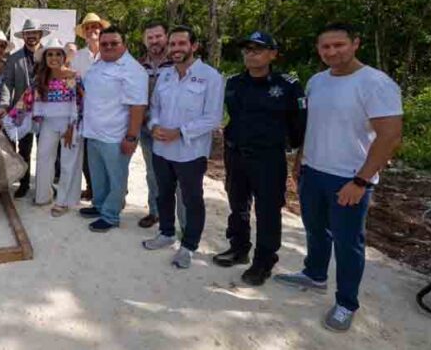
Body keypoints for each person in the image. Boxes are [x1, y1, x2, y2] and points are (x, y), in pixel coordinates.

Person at [274, 23, 403, 333]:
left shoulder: (376, 83)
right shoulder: (317, 81)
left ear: (355, 43)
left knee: (348, 243)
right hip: (313, 171)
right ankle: (314, 274)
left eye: (339, 45)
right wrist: (300, 161)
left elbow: (389, 136)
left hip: (349, 178)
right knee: (315, 230)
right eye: (325, 47)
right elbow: (311, 125)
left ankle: (346, 303)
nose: (331, 52)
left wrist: (361, 181)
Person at [214, 31, 306, 286]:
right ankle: (238, 247)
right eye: (247, 49)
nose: (251, 54)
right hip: (236, 153)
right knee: (238, 204)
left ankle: (264, 261)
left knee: (268, 210)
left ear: (273, 54)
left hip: (267, 158)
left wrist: (290, 146)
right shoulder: (234, 83)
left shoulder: (287, 85)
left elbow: (299, 123)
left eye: (258, 49)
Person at [142, 26, 224, 268]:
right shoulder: (166, 75)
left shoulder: (210, 77)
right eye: (173, 44)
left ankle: (188, 246)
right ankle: (166, 233)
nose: (176, 49)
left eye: (181, 44)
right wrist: (154, 125)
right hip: (161, 149)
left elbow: (213, 117)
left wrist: (180, 132)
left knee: (191, 199)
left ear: (194, 46)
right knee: (163, 194)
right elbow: (155, 107)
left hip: (190, 152)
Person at [78, 26, 147, 232]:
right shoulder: (98, 64)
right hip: (93, 132)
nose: (108, 47)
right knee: (98, 176)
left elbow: (138, 106)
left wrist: (131, 137)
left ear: (124, 44)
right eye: (104, 43)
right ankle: (99, 205)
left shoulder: (133, 70)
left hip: (116, 137)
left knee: (116, 179)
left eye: (114, 43)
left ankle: (110, 215)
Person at [5, 37, 84, 215]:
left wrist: (72, 127)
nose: (54, 58)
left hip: (69, 125)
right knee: (43, 158)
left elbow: (78, 103)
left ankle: (63, 201)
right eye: (50, 54)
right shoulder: (41, 79)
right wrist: (9, 118)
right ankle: (43, 196)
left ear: (64, 57)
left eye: (58, 54)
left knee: (68, 162)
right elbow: (26, 100)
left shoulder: (72, 76)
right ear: (45, 57)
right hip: (48, 123)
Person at [137, 20, 182, 230]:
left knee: (179, 176)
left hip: (175, 130)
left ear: (166, 37)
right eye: (150, 37)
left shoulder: (178, 63)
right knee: (152, 173)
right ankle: (155, 212)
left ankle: (183, 221)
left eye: (158, 36)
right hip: (147, 128)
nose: (154, 41)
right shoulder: (139, 65)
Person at [4, 19, 50, 198]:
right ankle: (23, 184)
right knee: (24, 150)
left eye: (34, 33)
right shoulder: (14, 58)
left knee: (46, 150)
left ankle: (44, 185)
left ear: (40, 35)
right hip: (22, 111)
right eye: (28, 33)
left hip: (46, 111)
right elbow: (7, 85)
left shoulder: (50, 55)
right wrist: (5, 105)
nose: (31, 36)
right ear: (23, 35)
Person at [71, 12, 108, 201]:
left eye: (95, 26)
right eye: (88, 27)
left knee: (108, 154)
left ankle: (115, 192)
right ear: (84, 32)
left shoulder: (111, 54)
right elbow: (73, 83)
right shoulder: (78, 57)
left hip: (109, 113)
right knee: (87, 153)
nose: (92, 30)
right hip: (85, 113)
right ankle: (92, 187)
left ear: (101, 30)